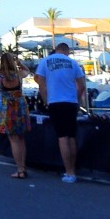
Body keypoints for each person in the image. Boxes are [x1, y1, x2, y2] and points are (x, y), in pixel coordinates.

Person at [34, 42, 86, 183]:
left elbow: (41, 83)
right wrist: (76, 98)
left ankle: (69, 172)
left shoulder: (45, 62)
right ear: (66, 51)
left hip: (55, 102)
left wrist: (46, 101)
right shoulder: (73, 63)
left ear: (56, 50)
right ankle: (72, 170)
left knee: (62, 137)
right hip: (71, 102)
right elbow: (81, 85)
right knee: (71, 136)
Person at [0, 52, 31, 178]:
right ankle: (23, 167)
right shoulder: (19, 75)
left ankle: (19, 169)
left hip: (7, 108)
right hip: (20, 106)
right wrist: (19, 62)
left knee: (13, 140)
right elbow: (27, 71)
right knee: (21, 138)